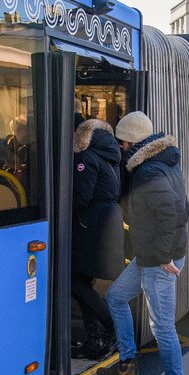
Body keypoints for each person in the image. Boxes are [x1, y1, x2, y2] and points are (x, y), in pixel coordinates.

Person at [96, 111, 189, 375]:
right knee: (116, 297)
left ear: (133, 141)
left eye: (123, 142)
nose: (121, 148)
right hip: (150, 255)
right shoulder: (160, 162)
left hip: (158, 260)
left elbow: (174, 213)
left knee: (162, 326)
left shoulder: (149, 171)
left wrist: (164, 256)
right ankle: (127, 362)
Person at [70, 117, 125, 360]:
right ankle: (94, 339)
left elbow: (81, 196)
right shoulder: (108, 156)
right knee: (82, 281)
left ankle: (112, 327)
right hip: (104, 224)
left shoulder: (86, 158)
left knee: (75, 282)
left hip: (90, 226)